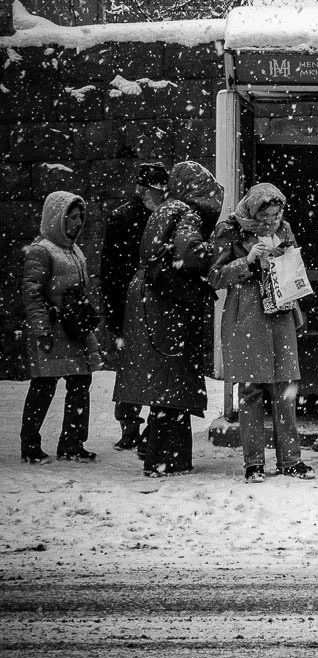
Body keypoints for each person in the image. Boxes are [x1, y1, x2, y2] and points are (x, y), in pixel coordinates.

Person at [113, 160, 223, 477]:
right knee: (172, 385)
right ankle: (167, 458)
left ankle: (166, 456)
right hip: (168, 307)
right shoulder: (186, 212)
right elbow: (189, 253)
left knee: (164, 386)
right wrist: (217, 249)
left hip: (150, 302)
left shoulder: (165, 209)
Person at [210, 182, 315, 484]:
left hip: (281, 312)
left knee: (285, 388)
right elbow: (215, 276)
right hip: (246, 315)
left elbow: (295, 268)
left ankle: (290, 459)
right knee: (251, 390)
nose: (272, 222)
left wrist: (287, 262)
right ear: (254, 212)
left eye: (277, 215)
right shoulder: (230, 230)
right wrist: (248, 260)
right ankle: (253, 462)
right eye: (266, 217)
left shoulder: (285, 229)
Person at [20, 191, 103, 463]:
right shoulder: (42, 251)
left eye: (81, 217)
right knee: (43, 386)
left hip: (72, 330)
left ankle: (72, 443)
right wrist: (42, 329)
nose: (79, 222)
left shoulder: (72, 249)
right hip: (54, 331)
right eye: (73, 217)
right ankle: (30, 444)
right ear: (58, 217)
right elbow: (32, 293)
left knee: (80, 382)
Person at [100, 162, 169, 450]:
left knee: (135, 367)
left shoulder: (138, 216)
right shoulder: (128, 219)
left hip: (139, 298)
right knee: (136, 366)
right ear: (142, 189)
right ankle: (132, 425)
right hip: (135, 299)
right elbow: (111, 272)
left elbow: (110, 272)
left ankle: (132, 425)